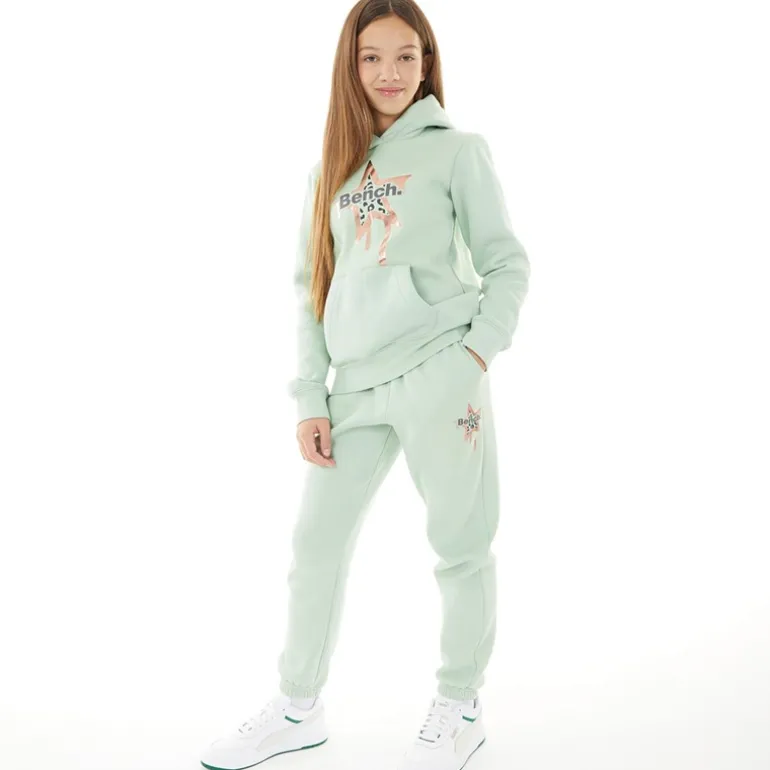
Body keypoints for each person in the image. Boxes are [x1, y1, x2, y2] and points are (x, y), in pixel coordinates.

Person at [200, 0, 530, 768]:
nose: (390, 72)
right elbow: (310, 290)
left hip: (440, 372)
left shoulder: (458, 152)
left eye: (406, 56)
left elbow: (507, 263)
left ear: (426, 63)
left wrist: (472, 359)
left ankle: (459, 705)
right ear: (350, 67)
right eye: (372, 57)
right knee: (314, 546)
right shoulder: (330, 169)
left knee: (460, 545)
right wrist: (309, 396)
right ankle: (297, 707)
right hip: (353, 389)